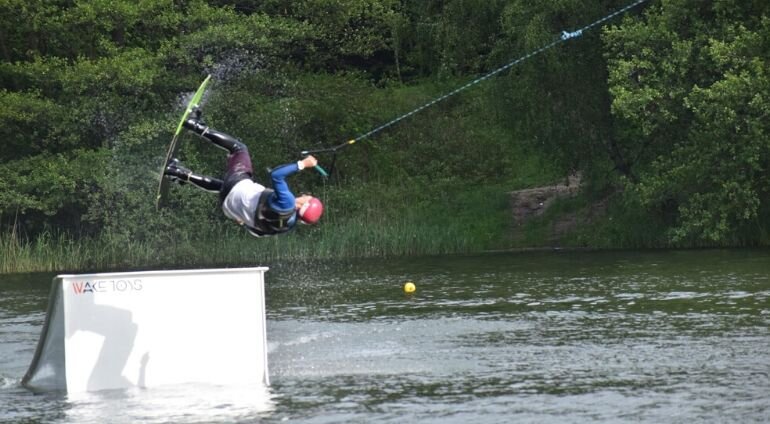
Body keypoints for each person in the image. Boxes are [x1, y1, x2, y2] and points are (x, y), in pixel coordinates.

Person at [163, 108, 324, 237]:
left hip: (237, 186)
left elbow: (276, 175)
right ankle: (177, 172)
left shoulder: (287, 202)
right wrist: (243, 221)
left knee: (239, 148)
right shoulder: (286, 226)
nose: (306, 194)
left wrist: (303, 164)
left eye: (308, 197)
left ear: (304, 204)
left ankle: (195, 125)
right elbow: (258, 232)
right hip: (228, 206)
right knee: (222, 186)